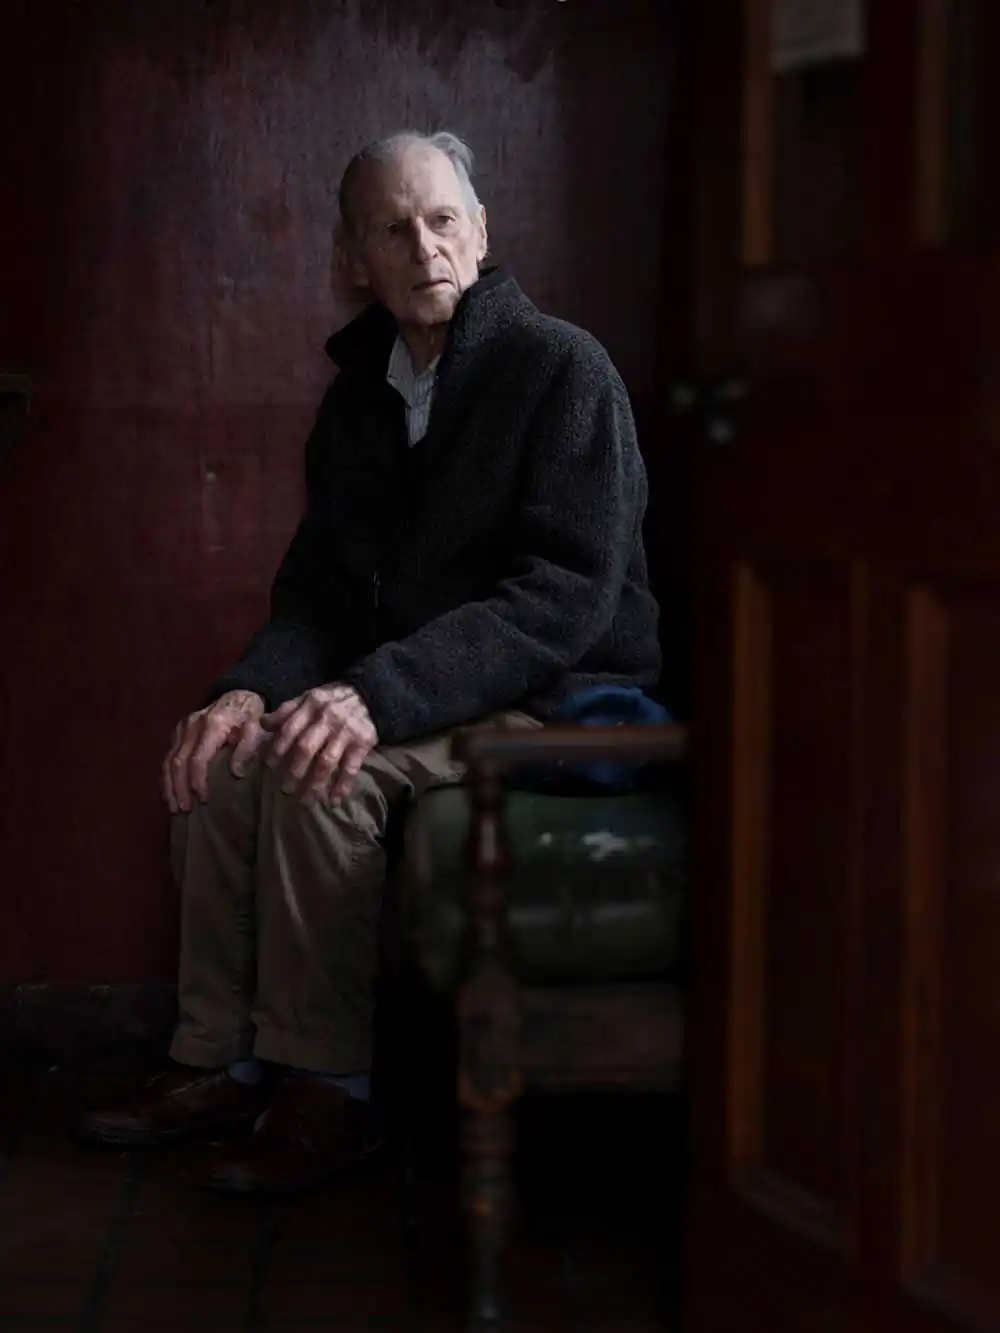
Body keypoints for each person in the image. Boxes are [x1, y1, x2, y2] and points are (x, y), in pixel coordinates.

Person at [80, 130, 661, 1193]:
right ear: (355, 259)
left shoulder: (561, 367)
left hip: (553, 697)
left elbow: (562, 599)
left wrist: (371, 695)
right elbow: (320, 595)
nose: (424, 247)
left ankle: (329, 1093)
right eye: (393, 230)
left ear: (480, 232)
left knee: (321, 773)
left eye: (442, 220)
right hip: (417, 694)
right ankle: (219, 1062)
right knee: (224, 764)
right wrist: (247, 690)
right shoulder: (360, 398)